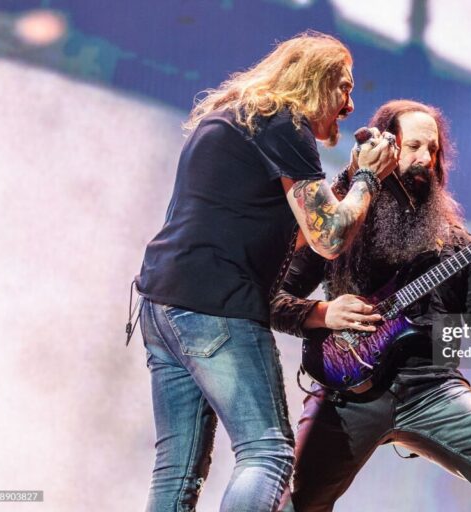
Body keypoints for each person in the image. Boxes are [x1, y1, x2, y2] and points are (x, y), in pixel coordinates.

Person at [134, 31, 397, 512]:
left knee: (178, 469)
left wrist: (345, 182)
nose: (350, 104)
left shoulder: (236, 119)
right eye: (344, 87)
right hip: (215, 307)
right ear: (316, 81)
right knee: (269, 452)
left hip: (163, 306)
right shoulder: (283, 121)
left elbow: (288, 228)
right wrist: (367, 179)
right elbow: (329, 237)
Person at [271, 99, 471, 511]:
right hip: (347, 392)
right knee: (292, 502)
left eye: (434, 150)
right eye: (414, 147)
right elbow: (274, 299)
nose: (426, 159)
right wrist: (322, 314)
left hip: (432, 389)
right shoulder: (342, 223)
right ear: (387, 151)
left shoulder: (457, 242)